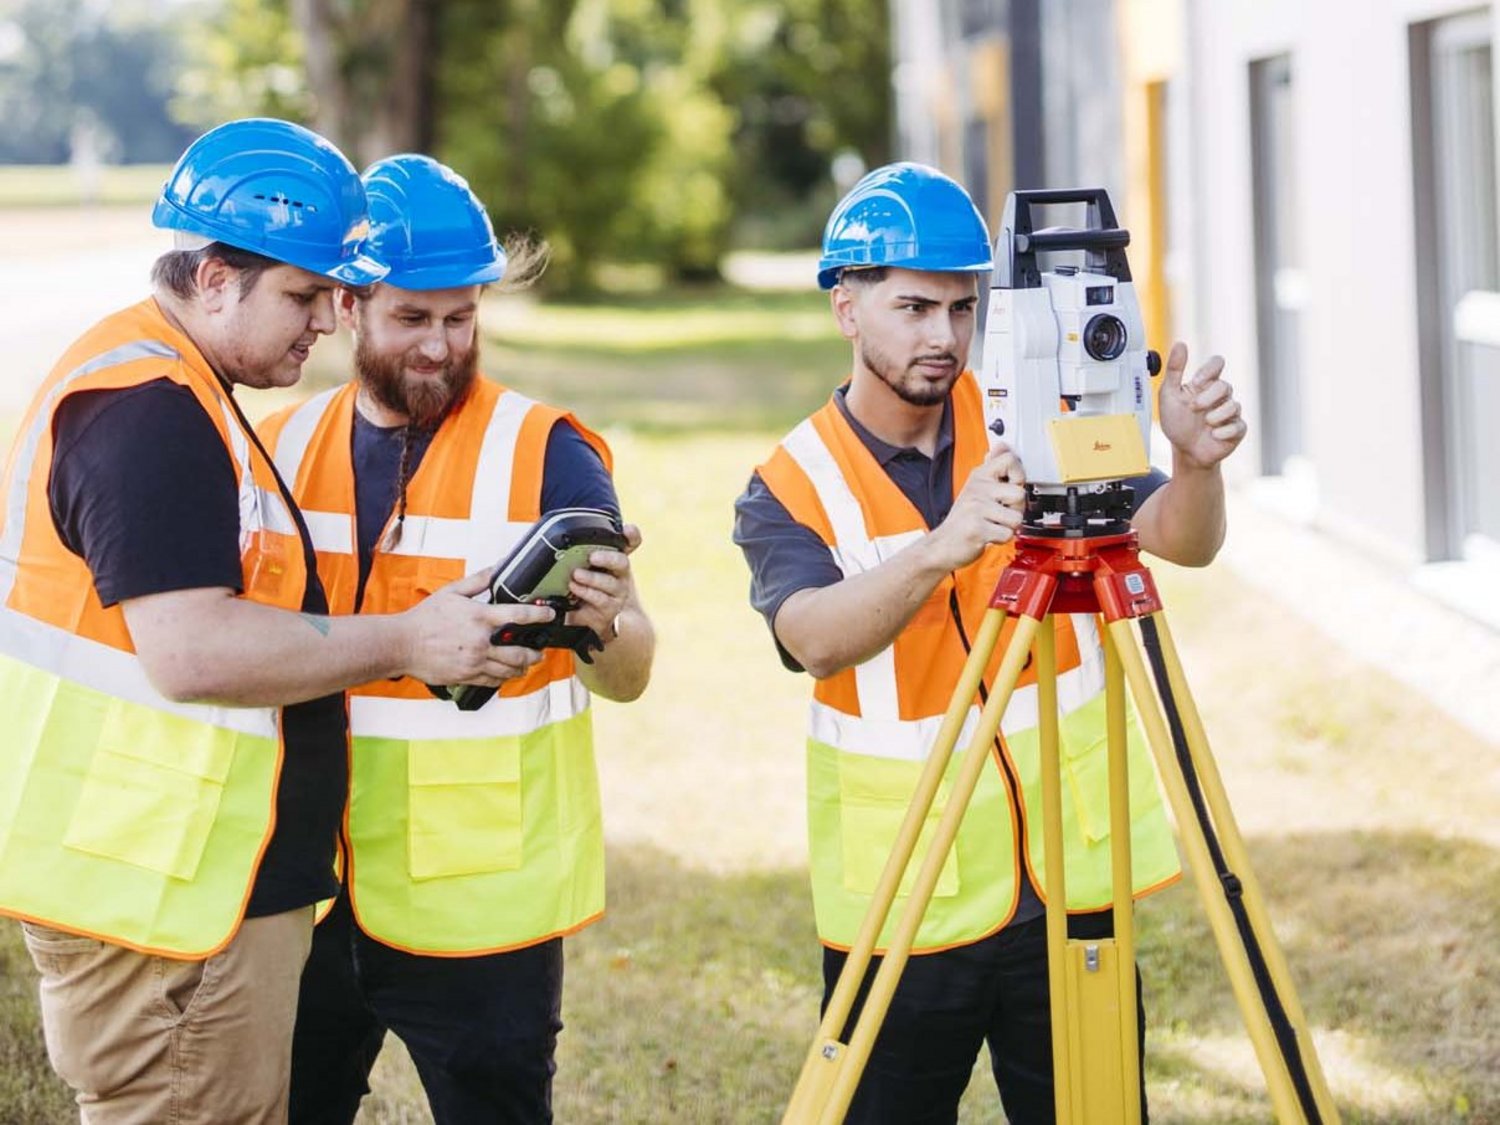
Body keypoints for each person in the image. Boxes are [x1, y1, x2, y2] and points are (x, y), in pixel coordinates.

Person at [0, 119, 555, 1124]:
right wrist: (403, 638)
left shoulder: (183, 393)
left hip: (174, 882)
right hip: (165, 902)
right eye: (304, 296)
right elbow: (194, 648)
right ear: (215, 277)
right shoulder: (149, 412)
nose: (327, 326)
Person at [733, 162, 1248, 1123]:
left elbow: (1181, 538)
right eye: (915, 308)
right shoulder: (791, 482)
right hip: (905, 899)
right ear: (846, 308)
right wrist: (942, 548)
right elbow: (811, 638)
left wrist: (1192, 463)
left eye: (963, 310)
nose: (944, 338)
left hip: (1066, 885)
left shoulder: (1038, 408)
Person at [257, 154, 655, 1125]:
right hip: (308, 889)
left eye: (461, 316)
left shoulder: (548, 449)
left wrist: (609, 623)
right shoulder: (279, 448)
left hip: (481, 909)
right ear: (349, 307)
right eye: (413, 318)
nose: (441, 346)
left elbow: (633, 672)